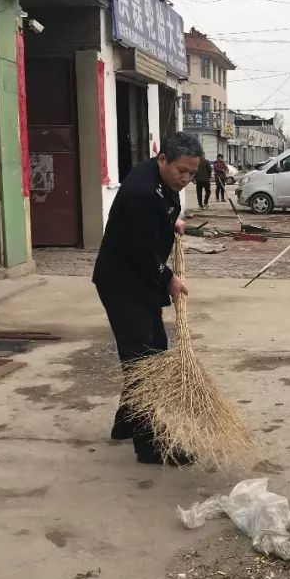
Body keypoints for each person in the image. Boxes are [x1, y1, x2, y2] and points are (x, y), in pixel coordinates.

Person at [92, 132, 203, 465]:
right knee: (147, 362)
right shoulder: (141, 192)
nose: (185, 179)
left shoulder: (156, 179)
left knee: (149, 350)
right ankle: (152, 445)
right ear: (163, 160)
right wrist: (169, 278)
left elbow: (158, 215)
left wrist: (173, 222)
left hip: (139, 279)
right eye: (181, 171)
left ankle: (126, 423)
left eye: (192, 174)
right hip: (123, 282)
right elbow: (139, 250)